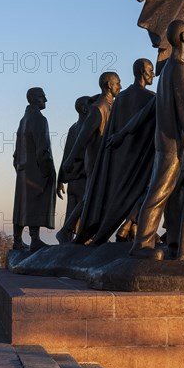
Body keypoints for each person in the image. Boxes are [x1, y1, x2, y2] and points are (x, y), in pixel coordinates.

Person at [129, 19, 184, 260]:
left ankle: (176, 243)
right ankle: (142, 243)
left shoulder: (174, 67)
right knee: (160, 192)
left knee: (178, 195)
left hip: (180, 144)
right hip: (173, 144)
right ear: (182, 38)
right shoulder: (178, 69)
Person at [75, 59, 156, 245]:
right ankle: (124, 230)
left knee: (120, 196)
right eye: (150, 70)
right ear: (142, 72)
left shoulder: (121, 98)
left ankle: (128, 231)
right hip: (138, 160)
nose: (153, 74)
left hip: (120, 158)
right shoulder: (150, 98)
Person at [56, 72, 121, 243]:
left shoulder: (107, 105)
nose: (119, 87)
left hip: (104, 158)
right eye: (117, 83)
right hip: (95, 158)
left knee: (97, 195)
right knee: (91, 195)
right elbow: (83, 136)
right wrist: (70, 159)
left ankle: (88, 232)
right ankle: (67, 230)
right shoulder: (98, 108)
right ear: (109, 85)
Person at [12, 87, 56, 251]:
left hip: (23, 170)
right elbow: (42, 148)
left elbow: (16, 154)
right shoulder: (39, 119)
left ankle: (17, 240)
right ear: (33, 98)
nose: (45, 100)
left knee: (22, 204)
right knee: (35, 202)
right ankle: (35, 239)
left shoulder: (23, 120)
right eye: (42, 96)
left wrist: (19, 168)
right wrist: (47, 171)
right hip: (36, 169)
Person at [56, 96, 90, 240]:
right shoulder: (87, 128)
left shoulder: (72, 128)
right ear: (84, 109)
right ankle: (84, 238)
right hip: (82, 176)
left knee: (71, 212)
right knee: (86, 207)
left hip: (71, 178)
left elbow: (65, 156)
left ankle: (67, 240)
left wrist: (60, 180)